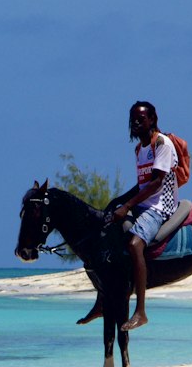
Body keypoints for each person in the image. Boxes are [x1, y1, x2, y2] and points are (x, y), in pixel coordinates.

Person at [77, 102, 179, 332]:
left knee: (134, 244)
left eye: (140, 119)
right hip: (143, 204)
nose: (135, 123)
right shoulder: (139, 150)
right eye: (132, 119)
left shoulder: (161, 143)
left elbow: (156, 182)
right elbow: (141, 184)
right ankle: (102, 301)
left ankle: (141, 311)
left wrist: (128, 206)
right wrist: (118, 202)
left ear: (152, 119)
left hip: (161, 207)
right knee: (102, 239)